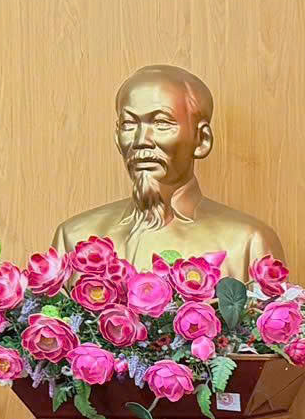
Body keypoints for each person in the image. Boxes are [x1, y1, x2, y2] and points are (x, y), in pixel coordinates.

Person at [52, 64, 288, 280]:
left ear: (202, 140)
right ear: (117, 138)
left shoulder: (247, 243)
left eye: (161, 123)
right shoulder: (75, 238)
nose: (141, 140)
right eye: (129, 124)